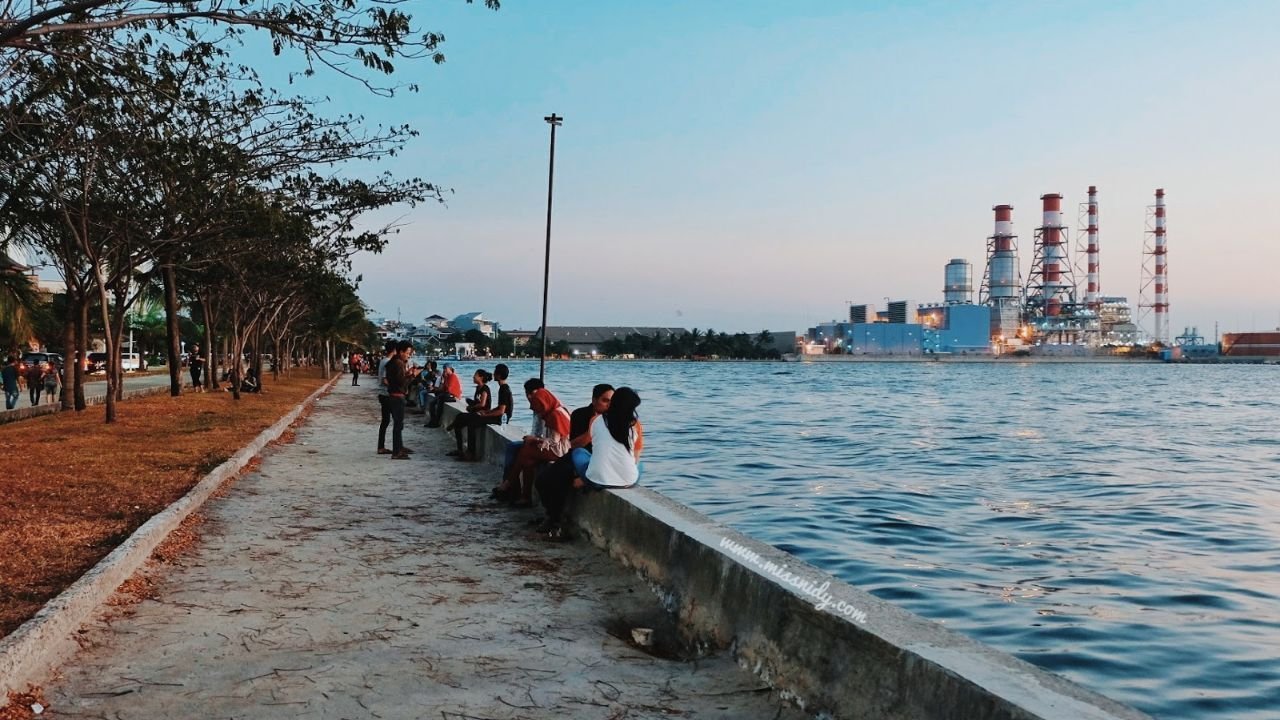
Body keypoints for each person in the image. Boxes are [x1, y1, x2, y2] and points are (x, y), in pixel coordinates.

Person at [534, 384, 614, 531]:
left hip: (597, 460)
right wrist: (591, 430)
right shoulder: (580, 414)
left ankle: (555, 521)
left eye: (611, 401)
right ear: (594, 400)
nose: (609, 405)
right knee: (542, 480)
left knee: (562, 481)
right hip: (577, 454)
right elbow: (574, 444)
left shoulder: (613, 419)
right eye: (605, 400)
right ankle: (551, 514)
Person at [494, 381, 571, 507]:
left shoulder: (556, 415)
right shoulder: (552, 410)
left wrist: (534, 440)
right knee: (528, 461)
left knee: (526, 451)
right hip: (555, 447)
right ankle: (524, 496)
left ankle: (508, 484)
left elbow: (554, 442)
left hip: (561, 451)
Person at [447, 366, 512, 461]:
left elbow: (501, 411)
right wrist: (487, 411)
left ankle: (471, 454)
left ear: (499, 375)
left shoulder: (504, 389)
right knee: (464, 419)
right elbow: (499, 407)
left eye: (495, 372)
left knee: (472, 424)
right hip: (498, 415)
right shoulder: (502, 388)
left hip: (501, 418)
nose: (493, 374)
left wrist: (486, 414)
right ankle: (463, 450)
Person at [584, 386, 644, 489]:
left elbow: (595, 446)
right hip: (628, 481)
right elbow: (636, 457)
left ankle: (583, 480)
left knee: (579, 453)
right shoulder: (635, 425)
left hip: (597, 479)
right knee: (640, 465)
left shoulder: (595, 420)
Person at [384, 340, 413, 459]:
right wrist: (412, 376)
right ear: (401, 352)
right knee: (398, 425)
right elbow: (402, 382)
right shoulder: (398, 363)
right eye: (407, 353)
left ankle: (399, 448)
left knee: (398, 424)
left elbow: (396, 379)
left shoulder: (392, 362)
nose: (408, 355)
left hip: (393, 395)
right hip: (397, 396)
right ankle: (396, 452)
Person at [375, 340, 397, 455]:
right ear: (394, 350)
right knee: (395, 421)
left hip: (383, 394)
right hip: (387, 394)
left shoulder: (384, 360)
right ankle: (394, 446)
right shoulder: (388, 362)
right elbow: (385, 379)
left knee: (386, 421)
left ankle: (381, 446)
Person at [424, 364, 463, 428]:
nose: (444, 370)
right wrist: (434, 389)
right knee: (432, 403)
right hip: (448, 394)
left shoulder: (452, 376)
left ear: (449, 369)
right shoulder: (447, 377)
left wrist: (444, 381)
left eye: (445, 369)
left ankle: (437, 421)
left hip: (453, 396)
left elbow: (449, 389)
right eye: (444, 368)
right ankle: (432, 421)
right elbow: (443, 388)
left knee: (440, 399)